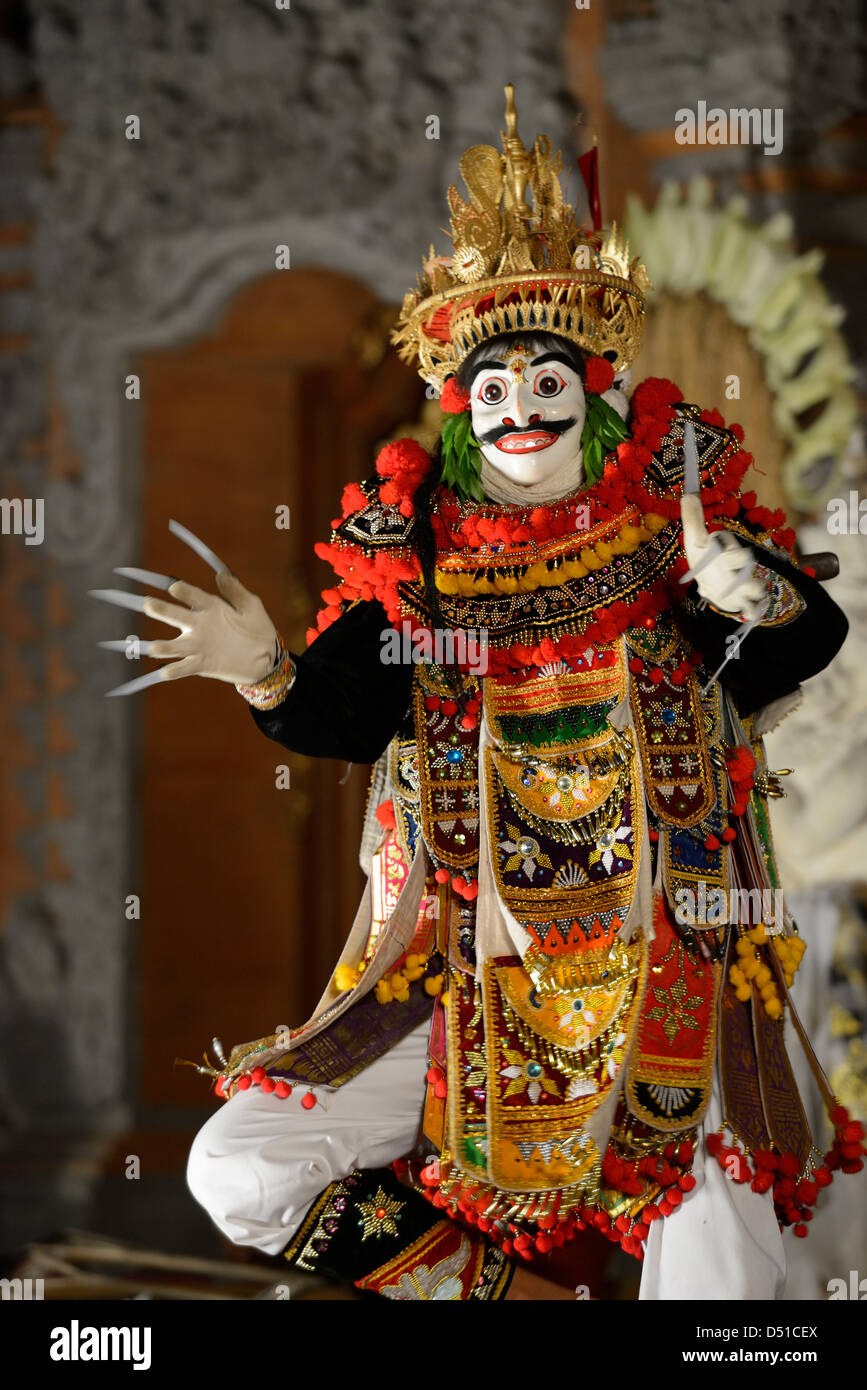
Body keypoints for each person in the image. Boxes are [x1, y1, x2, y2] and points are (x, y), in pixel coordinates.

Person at [94, 89, 862, 1301]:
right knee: (242, 1169)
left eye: (546, 379)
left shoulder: (675, 527)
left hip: (671, 965)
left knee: (723, 1282)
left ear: (592, 386)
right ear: (459, 406)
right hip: (460, 969)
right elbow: (346, 705)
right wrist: (260, 667)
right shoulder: (413, 559)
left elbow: (799, 644)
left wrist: (744, 593)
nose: (521, 409)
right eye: (492, 387)